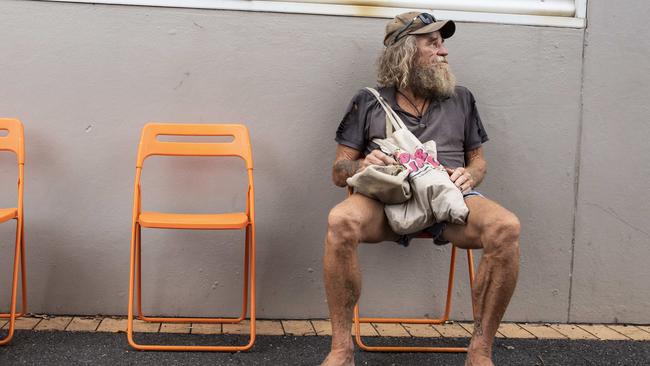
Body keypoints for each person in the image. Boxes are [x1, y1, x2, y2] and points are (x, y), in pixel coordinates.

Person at [321, 12, 520, 366]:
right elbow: (339, 170)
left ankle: (480, 351)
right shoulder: (368, 100)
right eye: (433, 43)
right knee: (340, 222)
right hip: (386, 201)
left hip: (447, 199)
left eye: (442, 43)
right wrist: (363, 165)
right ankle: (341, 350)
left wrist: (470, 177)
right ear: (405, 53)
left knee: (506, 228)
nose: (443, 52)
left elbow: (479, 161)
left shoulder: (461, 98)